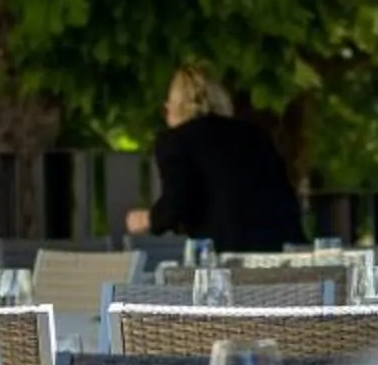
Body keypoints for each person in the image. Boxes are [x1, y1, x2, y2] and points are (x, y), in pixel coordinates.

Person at [131, 67, 306, 252]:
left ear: (173, 107)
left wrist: (148, 219)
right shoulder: (254, 135)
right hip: (285, 249)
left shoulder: (176, 141)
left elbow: (177, 202)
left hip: (230, 258)